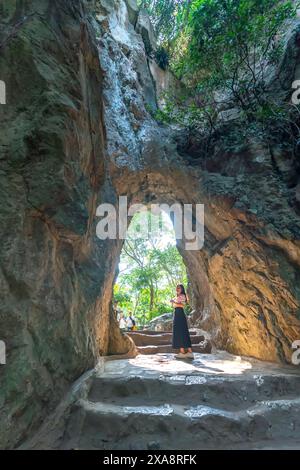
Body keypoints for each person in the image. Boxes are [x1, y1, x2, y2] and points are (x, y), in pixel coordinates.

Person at [171, 284, 194, 359]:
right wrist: (174, 302)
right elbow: (175, 306)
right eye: (176, 287)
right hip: (177, 314)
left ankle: (185, 352)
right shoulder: (177, 296)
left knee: (181, 332)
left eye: (179, 288)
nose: (177, 289)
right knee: (181, 332)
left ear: (182, 289)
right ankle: (186, 352)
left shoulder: (182, 295)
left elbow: (182, 305)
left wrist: (174, 302)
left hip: (180, 314)